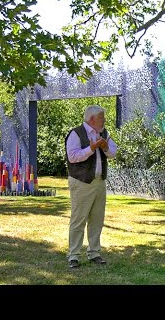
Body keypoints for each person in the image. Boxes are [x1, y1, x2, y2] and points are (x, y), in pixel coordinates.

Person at [65, 105, 118, 269]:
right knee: (78, 219)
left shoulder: (104, 133)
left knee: (97, 219)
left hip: (99, 182)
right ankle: (73, 255)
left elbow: (114, 153)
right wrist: (91, 148)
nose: (104, 120)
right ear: (92, 119)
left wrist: (105, 147)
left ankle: (94, 252)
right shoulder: (76, 133)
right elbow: (72, 157)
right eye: (102, 117)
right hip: (81, 182)